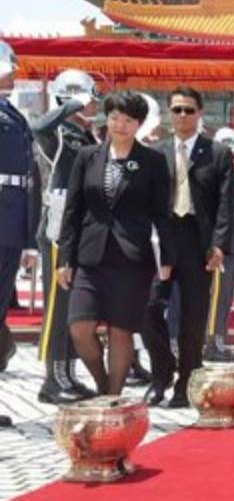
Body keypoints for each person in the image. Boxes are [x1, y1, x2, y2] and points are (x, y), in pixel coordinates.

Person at [58, 91, 176, 396]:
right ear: (106, 119)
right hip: (90, 256)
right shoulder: (87, 156)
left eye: (128, 120)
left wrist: (166, 258)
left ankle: (112, 399)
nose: (120, 125)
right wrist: (65, 259)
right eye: (114, 118)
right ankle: (102, 385)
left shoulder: (152, 161)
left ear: (139, 124)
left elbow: (162, 213)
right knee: (80, 328)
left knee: (120, 330)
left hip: (131, 258)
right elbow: (73, 210)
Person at [142, 87, 234, 408]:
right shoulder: (155, 153)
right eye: (177, 109)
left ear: (200, 113)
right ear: (169, 113)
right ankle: (161, 372)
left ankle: (187, 380)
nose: (183, 115)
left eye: (189, 110)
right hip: (162, 241)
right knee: (148, 308)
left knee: (193, 318)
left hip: (198, 242)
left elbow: (225, 203)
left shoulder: (218, 153)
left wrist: (220, 245)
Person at [31, 69, 101, 403]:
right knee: (58, 308)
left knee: (74, 308)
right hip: (59, 226)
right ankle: (52, 379)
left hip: (80, 227)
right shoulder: (57, 132)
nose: (95, 105)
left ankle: (68, 374)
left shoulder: (85, 136)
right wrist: (72, 103)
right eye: (91, 99)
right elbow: (38, 127)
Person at [0, 41, 41, 428]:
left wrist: (29, 237)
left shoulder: (11, 113)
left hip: (11, 223)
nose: (13, 74)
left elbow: (28, 180)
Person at [204, 126, 234, 363]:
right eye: (232, 154)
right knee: (217, 298)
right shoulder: (215, 178)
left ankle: (220, 340)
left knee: (226, 297)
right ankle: (211, 343)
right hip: (222, 246)